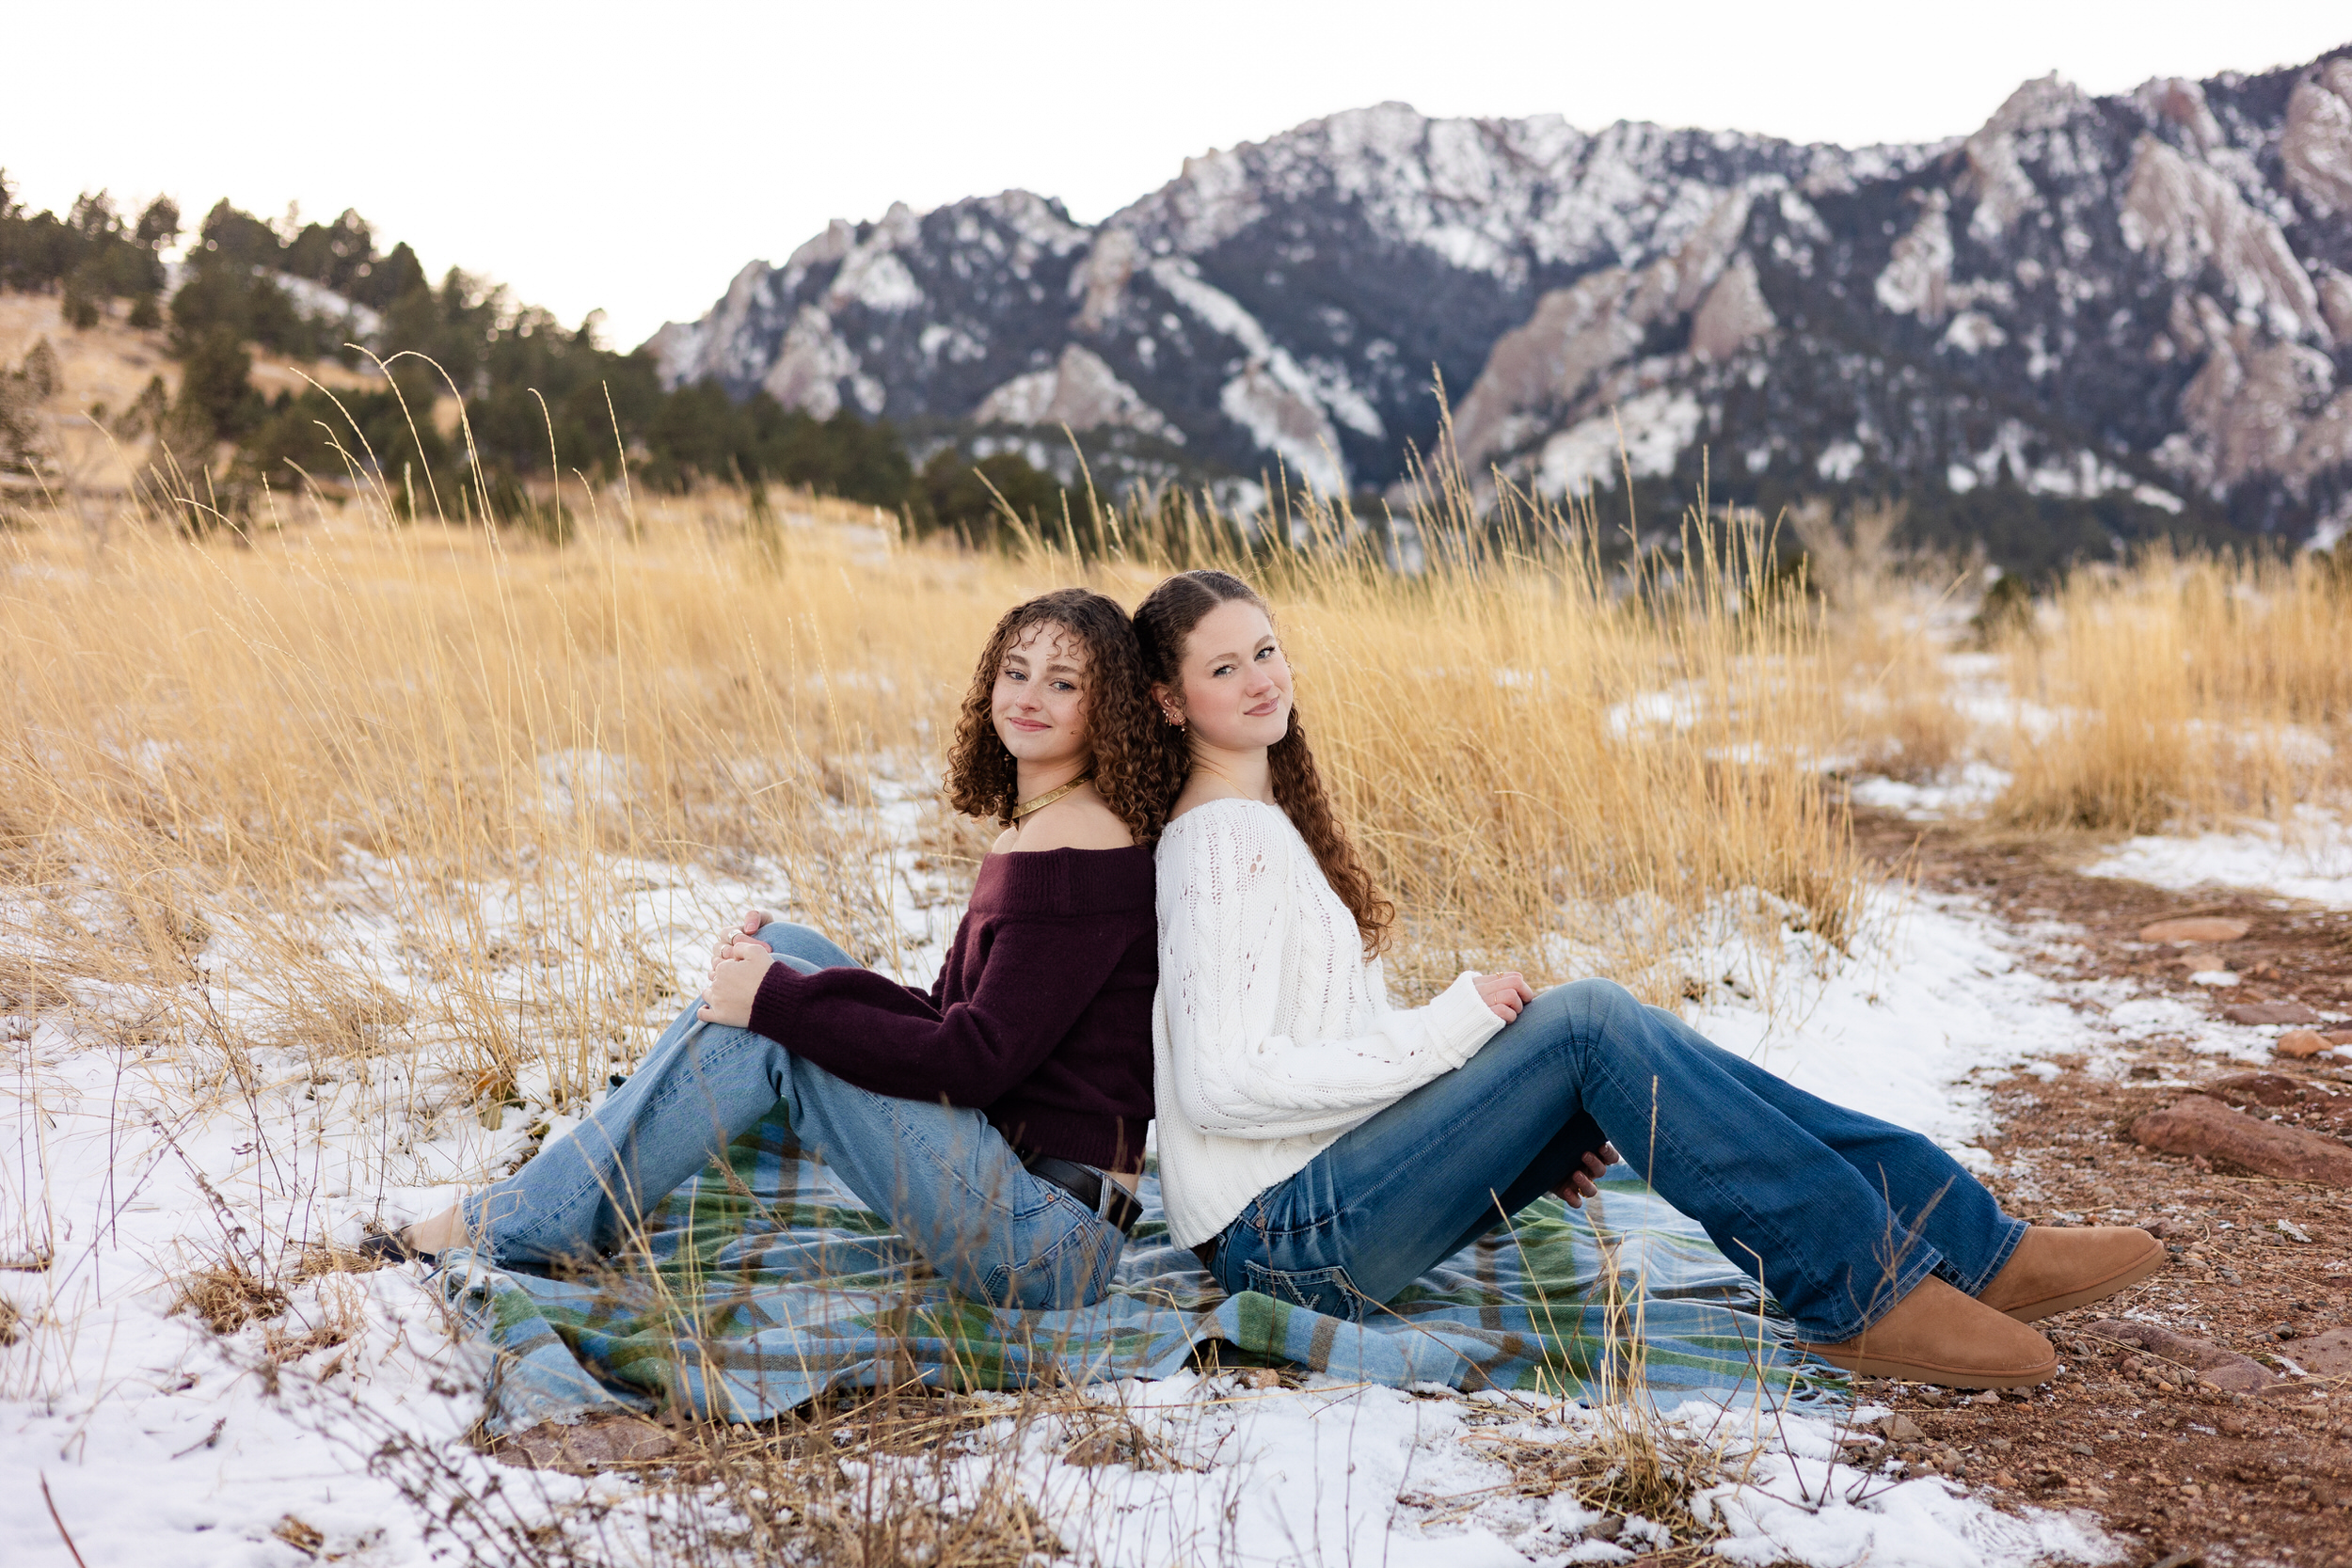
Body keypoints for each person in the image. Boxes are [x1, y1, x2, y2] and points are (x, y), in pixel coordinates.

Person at [1131, 569, 2164, 1387]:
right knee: (1587, 1024)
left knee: (1590, 1038)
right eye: (1223, 669)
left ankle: (1962, 1244)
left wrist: (1506, 1123)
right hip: (1279, 1246)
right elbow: (1224, 1083)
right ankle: (1869, 1289)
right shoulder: (1216, 842)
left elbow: (1319, 1045)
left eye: (1266, 650)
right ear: (1170, 701)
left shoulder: (1262, 825)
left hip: (1316, 1206)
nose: (1260, 677)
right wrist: (1454, 1029)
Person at [371, 588, 1169, 1309]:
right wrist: (779, 979)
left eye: (1063, 683)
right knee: (784, 951)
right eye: (1016, 671)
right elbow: (945, 1014)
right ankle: (556, 1205)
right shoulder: (1045, 825)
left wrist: (778, 1002)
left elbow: (972, 1059)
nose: (1028, 697)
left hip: (1045, 1243)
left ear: (1108, 710)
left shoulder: (1079, 850)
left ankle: (524, 1221)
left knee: (774, 1018)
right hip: (1015, 1191)